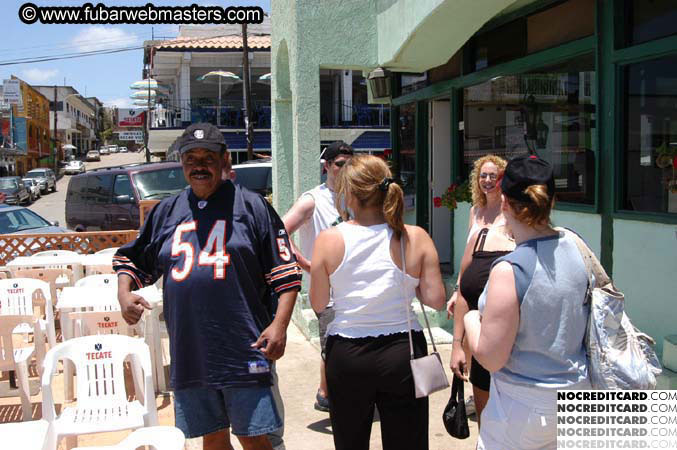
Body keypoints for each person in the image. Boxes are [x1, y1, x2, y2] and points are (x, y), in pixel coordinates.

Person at [113, 123, 301, 450]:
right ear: (181, 163)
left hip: (246, 347)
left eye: (208, 157)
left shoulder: (253, 207)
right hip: (191, 349)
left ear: (224, 160)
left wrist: (280, 325)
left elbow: (286, 272)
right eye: (191, 158)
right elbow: (133, 260)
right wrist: (124, 293)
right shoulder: (166, 212)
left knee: (254, 436)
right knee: (211, 437)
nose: (199, 165)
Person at [310, 155, 446, 450]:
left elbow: (320, 303)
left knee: (350, 440)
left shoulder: (329, 240)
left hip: (347, 354)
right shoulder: (415, 237)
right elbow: (435, 299)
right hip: (403, 352)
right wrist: (409, 285)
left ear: (348, 192)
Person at [464, 155, 591, 450]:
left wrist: (471, 320)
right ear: (552, 201)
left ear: (505, 202)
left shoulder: (509, 269)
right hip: (579, 393)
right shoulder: (577, 247)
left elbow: (491, 357)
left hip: (524, 404)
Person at [281, 140, 353, 412]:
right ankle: (332, 397)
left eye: (350, 165)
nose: (345, 170)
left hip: (354, 287)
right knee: (333, 345)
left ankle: (328, 393)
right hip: (329, 291)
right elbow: (280, 232)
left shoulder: (357, 195)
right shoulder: (313, 199)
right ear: (327, 167)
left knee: (347, 343)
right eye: (339, 165)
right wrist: (307, 265)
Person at [446, 154, 507, 415]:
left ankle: (492, 396)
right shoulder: (475, 210)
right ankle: (476, 394)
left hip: (496, 292)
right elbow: (467, 257)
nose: (488, 180)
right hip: (471, 287)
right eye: (483, 175)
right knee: (469, 345)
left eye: (493, 176)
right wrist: (458, 289)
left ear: (502, 179)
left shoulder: (509, 209)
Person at [449, 223, 514, 430]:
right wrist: (457, 345)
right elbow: (464, 293)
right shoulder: (481, 237)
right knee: (488, 433)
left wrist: (471, 320)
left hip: (534, 373)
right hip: (487, 359)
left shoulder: (559, 247)